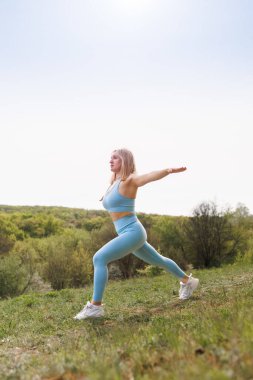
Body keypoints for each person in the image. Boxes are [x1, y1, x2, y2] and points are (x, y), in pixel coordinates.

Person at [74, 148, 199, 320]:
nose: (110, 161)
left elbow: (148, 176)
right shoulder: (114, 182)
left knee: (99, 258)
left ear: (124, 161)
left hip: (133, 232)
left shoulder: (130, 179)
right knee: (159, 260)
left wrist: (167, 171)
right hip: (130, 232)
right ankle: (188, 281)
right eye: (110, 158)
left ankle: (95, 307)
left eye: (115, 158)